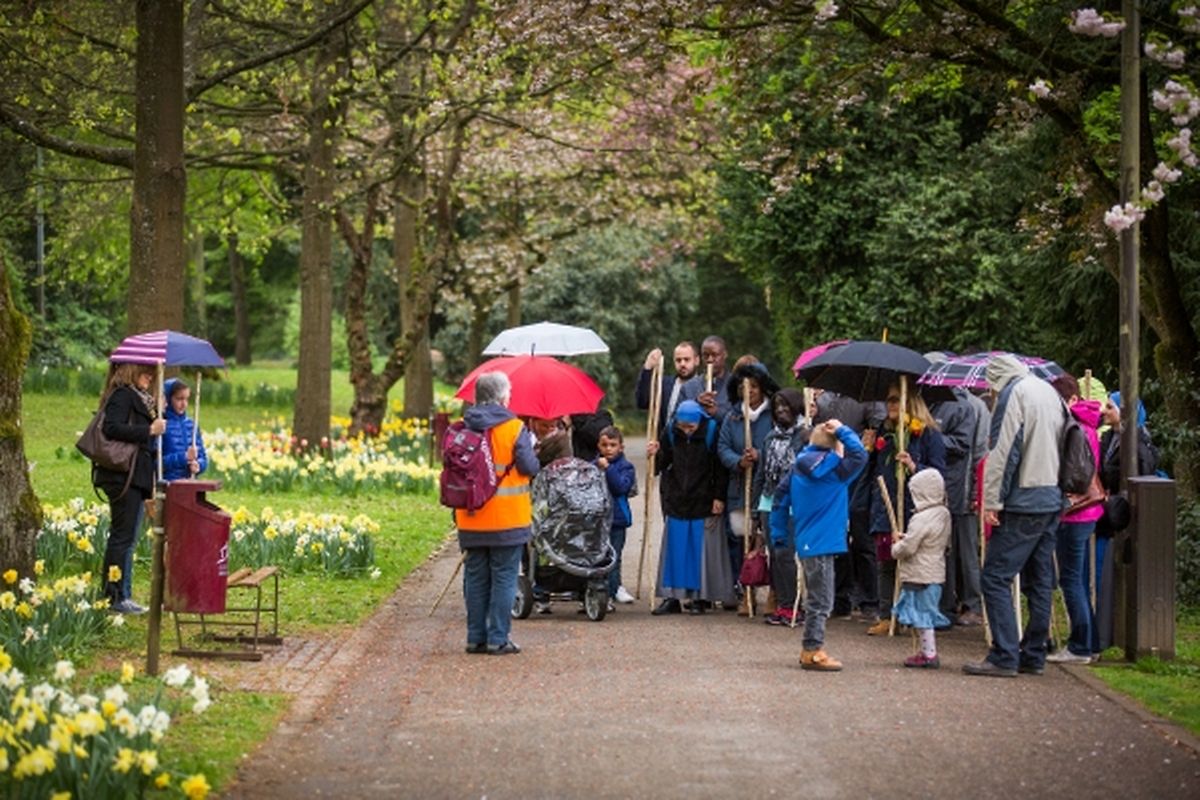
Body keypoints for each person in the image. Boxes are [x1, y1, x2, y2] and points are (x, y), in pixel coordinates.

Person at [963, 354, 1065, 678]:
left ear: (996, 380)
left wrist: (992, 501)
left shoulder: (1013, 394)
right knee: (1039, 580)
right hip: (1052, 495)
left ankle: (1004, 654)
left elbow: (1005, 451)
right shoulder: (1050, 392)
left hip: (1024, 498)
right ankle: (1034, 654)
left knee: (994, 577)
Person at [769, 419, 868, 671]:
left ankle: (812, 647)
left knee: (817, 597)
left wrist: (779, 534)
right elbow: (860, 454)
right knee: (821, 601)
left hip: (805, 540)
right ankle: (812, 649)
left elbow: (779, 501)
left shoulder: (796, 469)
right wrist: (843, 430)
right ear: (835, 447)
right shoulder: (837, 472)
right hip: (824, 542)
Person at [455, 372, 539, 655]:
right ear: (503, 397)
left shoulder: (463, 427)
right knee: (504, 577)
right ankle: (498, 638)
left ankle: (474, 637)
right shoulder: (515, 428)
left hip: (470, 517)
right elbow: (529, 467)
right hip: (507, 519)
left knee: (475, 578)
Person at [863, 386, 945, 635]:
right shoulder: (883, 432)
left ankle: (913, 617)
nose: (891, 405)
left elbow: (938, 474)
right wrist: (865, 449)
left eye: (897, 400)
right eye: (888, 400)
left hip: (915, 508)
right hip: (886, 504)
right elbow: (872, 469)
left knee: (913, 565)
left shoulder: (927, 434)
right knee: (886, 562)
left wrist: (913, 465)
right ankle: (887, 615)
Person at [647, 400, 733, 615]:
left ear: (699, 422)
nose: (686, 431)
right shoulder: (671, 430)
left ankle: (699, 598)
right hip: (677, 497)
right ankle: (672, 597)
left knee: (698, 550)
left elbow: (721, 467)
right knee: (675, 549)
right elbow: (662, 463)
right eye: (682, 426)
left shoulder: (712, 430)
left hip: (703, 496)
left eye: (690, 427)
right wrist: (655, 454)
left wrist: (719, 496)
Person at [923, 355, 989, 627]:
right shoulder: (931, 402)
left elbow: (963, 446)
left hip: (960, 487)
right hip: (938, 487)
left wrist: (930, 436)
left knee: (966, 550)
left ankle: (972, 604)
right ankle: (946, 605)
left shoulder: (962, 406)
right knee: (943, 550)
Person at [94, 362, 165, 615]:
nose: (150, 376)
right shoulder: (123, 394)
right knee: (123, 537)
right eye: (146, 371)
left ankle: (121, 593)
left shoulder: (140, 398)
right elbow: (111, 427)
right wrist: (148, 429)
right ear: (131, 370)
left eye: (152, 372)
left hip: (135, 475)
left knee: (127, 537)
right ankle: (115, 596)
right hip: (124, 475)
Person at [1047, 374, 1104, 664]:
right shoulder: (1090, 424)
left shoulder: (1073, 427)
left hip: (1074, 511)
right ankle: (1091, 642)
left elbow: (1075, 472)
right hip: (1089, 510)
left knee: (1070, 580)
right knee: (1078, 579)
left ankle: (1080, 646)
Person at [815, 391, 883, 621]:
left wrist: (870, 431)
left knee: (863, 541)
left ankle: (870, 601)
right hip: (833, 473)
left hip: (861, 475)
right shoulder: (823, 399)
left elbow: (874, 434)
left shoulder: (870, 398)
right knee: (838, 541)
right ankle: (840, 598)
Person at [717, 360, 779, 610]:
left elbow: (781, 445)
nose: (750, 391)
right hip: (738, 488)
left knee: (767, 540)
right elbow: (722, 448)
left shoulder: (774, 415)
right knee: (739, 541)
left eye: (754, 386)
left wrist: (760, 456)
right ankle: (745, 592)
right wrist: (738, 461)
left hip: (766, 490)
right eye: (745, 387)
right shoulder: (732, 416)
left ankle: (774, 593)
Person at [753, 388, 811, 626]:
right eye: (777, 406)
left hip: (792, 503)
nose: (781, 410)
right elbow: (760, 474)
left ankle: (793, 606)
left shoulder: (805, 436)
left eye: (786, 405)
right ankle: (783, 605)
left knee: (786, 555)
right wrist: (757, 511)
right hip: (769, 503)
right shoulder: (769, 438)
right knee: (775, 556)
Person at [890, 468, 952, 668]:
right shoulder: (943, 513)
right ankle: (926, 651)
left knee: (922, 615)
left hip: (919, 574)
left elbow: (910, 547)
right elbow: (928, 539)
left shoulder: (921, 518)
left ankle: (929, 654)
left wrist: (896, 547)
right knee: (925, 612)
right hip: (935, 571)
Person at [595, 425, 637, 606]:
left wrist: (608, 469)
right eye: (604, 445)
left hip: (617, 520)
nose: (608, 449)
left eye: (613, 445)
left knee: (614, 556)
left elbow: (621, 487)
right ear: (598, 446)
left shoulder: (626, 467)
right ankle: (598, 591)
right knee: (598, 556)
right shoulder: (592, 465)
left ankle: (612, 591)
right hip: (597, 520)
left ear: (621, 447)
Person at [635, 342, 700, 434]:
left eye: (686, 359)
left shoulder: (704, 387)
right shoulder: (664, 385)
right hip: (665, 445)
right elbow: (642, 402)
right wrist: (648, 367)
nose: (682, 364)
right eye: (678, 360)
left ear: (696, 360)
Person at [162, 378, 208, 482]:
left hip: (190, 483)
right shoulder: (162, 425)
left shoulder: (192, 425)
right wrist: (183, 457)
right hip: (169, 484)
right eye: (179, 399)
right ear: (168, 399)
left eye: (186, 399)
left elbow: (203, 457)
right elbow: (156, 463)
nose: (184, 404)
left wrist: (199, 465)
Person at [679, 335, 733, 421]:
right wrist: (696, 405)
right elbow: (675, 422)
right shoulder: (688, 387)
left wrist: (717, 412)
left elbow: (740, 421)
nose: (710, 360)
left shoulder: (736, 385)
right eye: (706, 355)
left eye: (715, 355)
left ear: (725, 354)